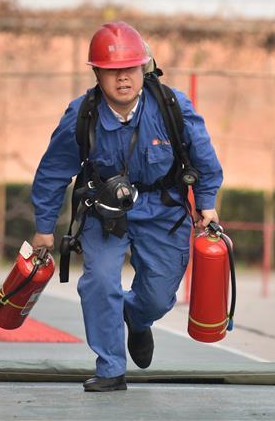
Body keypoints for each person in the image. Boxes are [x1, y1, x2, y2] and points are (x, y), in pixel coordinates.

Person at [29, 22, 223, 392]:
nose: (122, 78)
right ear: (97, 74)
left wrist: (207, 203)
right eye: (112, 70)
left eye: (130, 68)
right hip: (104, 212)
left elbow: (204, 156)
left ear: (143, 68)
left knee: (159, 297)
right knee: (101, 282)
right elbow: (52, 172)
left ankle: (136, 317)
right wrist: (43, 228)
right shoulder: (81, 115)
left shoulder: (172, 107)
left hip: (163, 211)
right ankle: (110, 368)